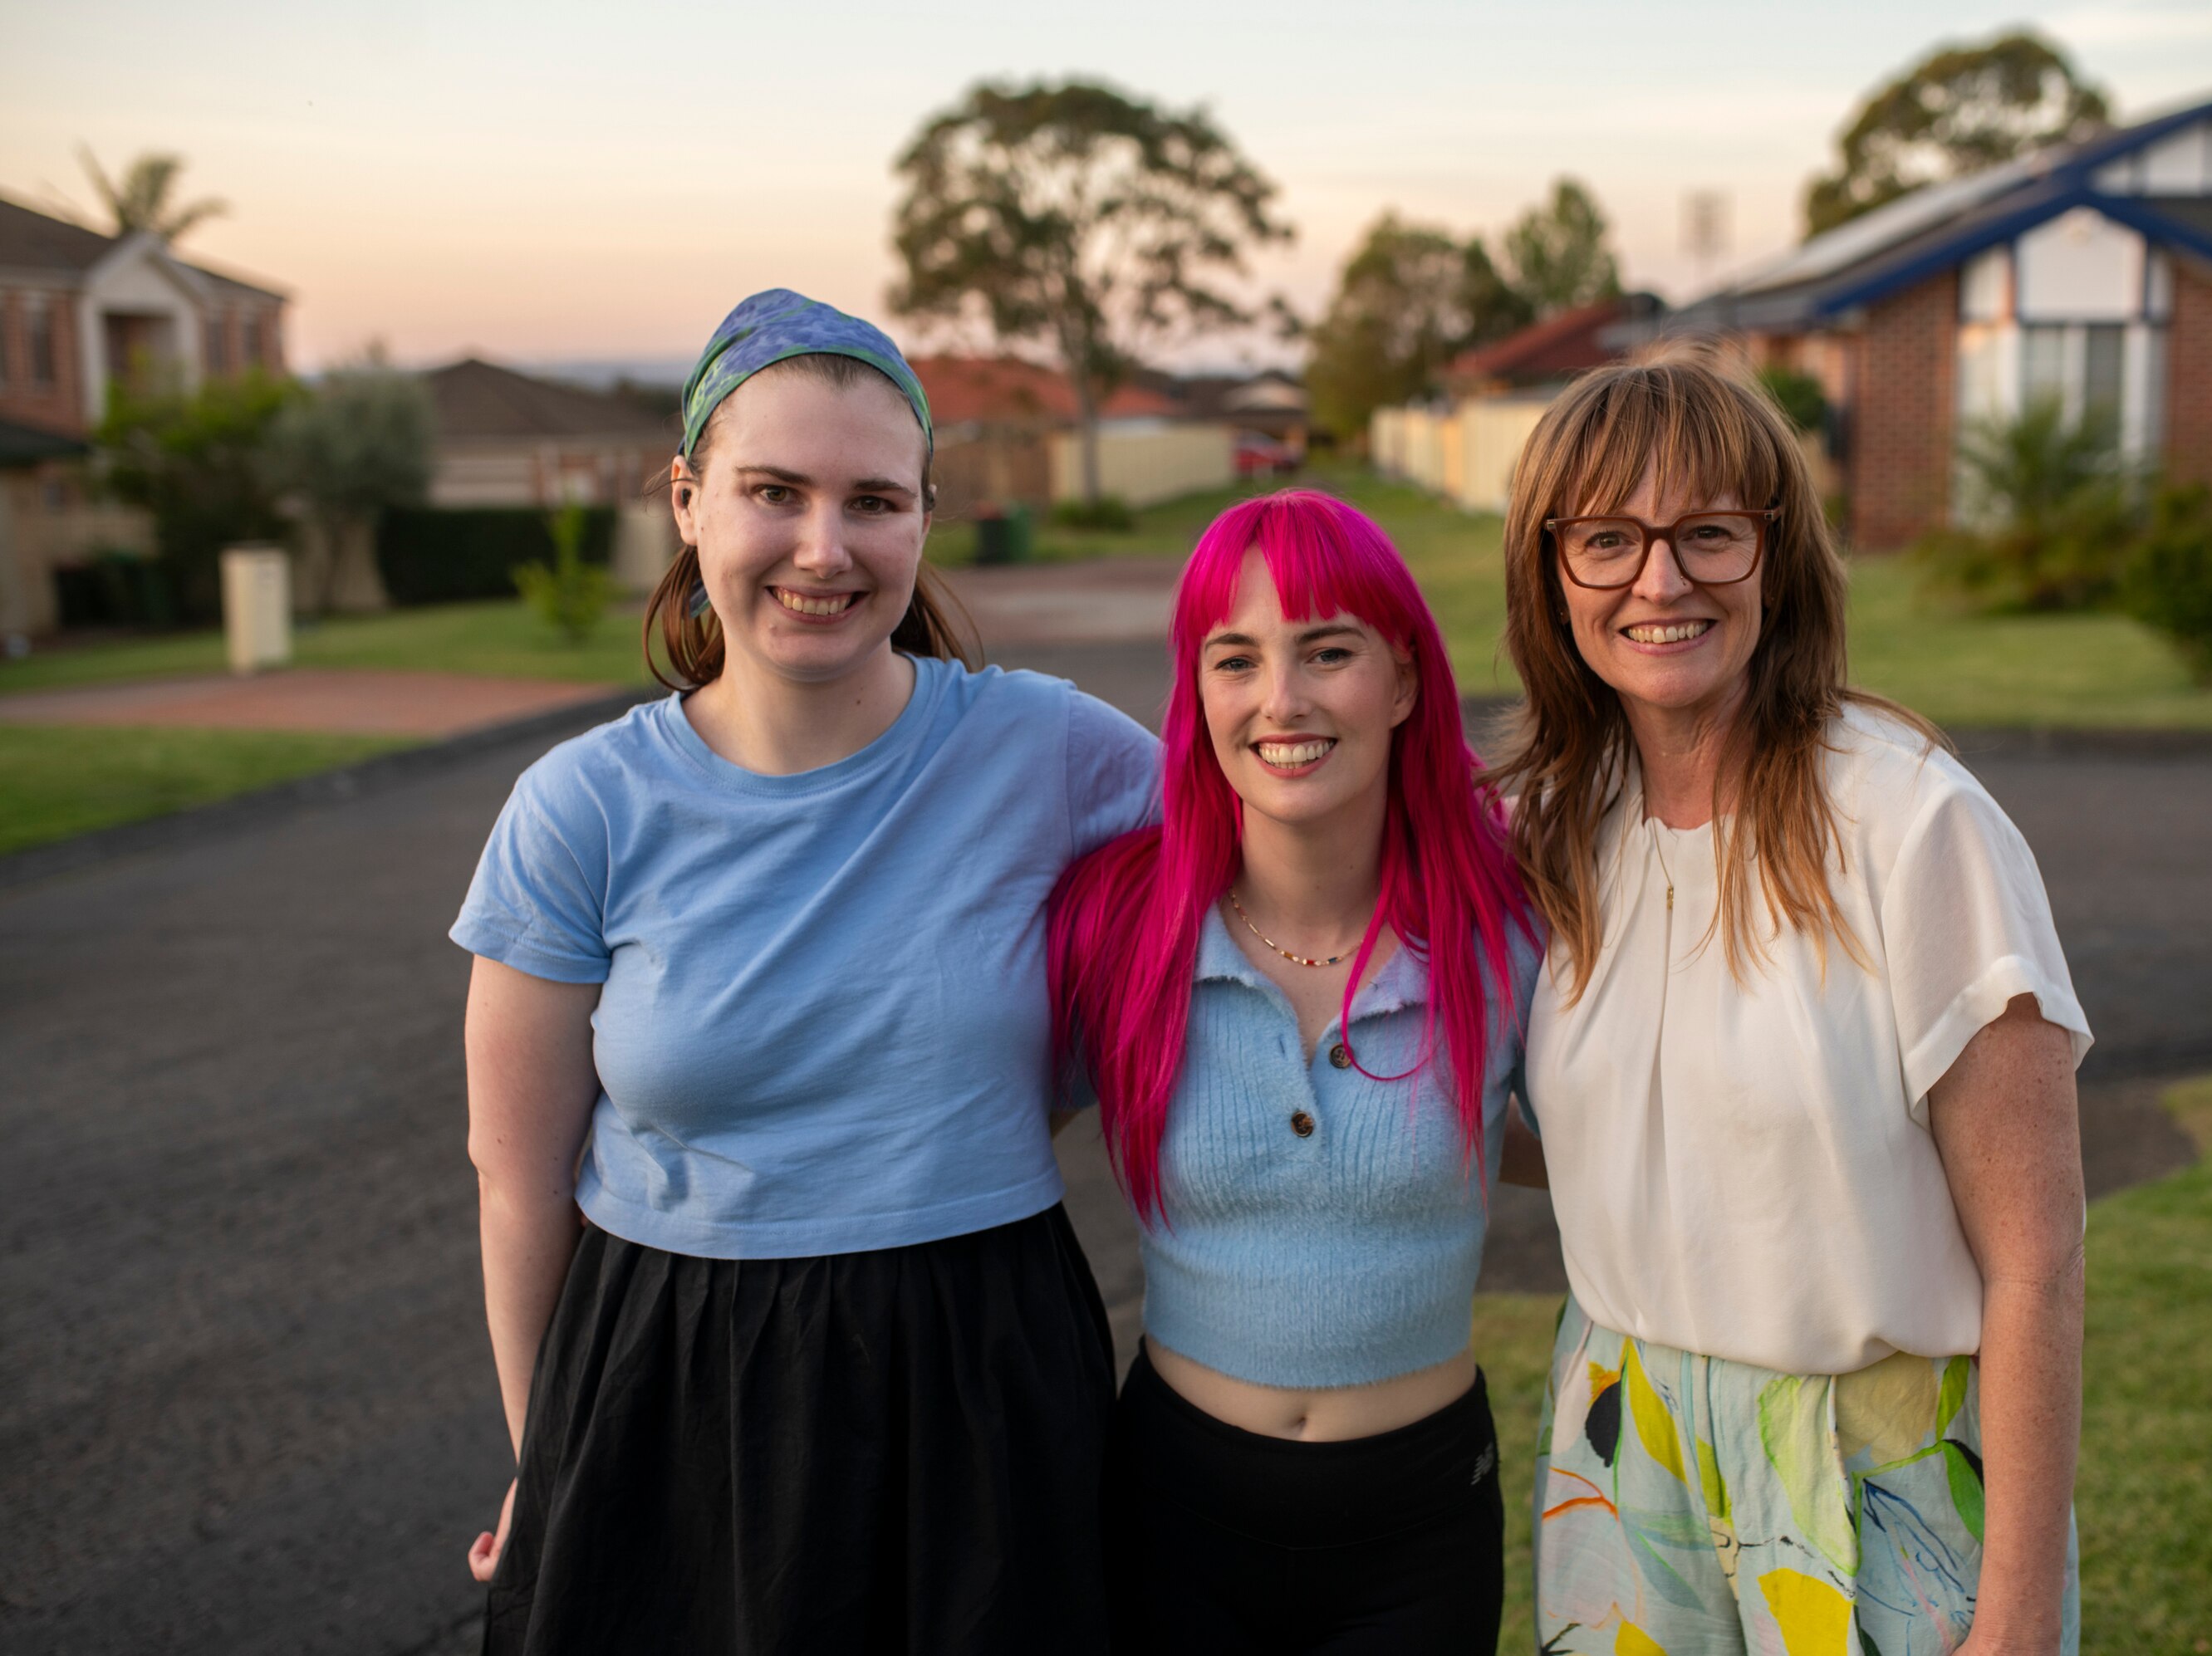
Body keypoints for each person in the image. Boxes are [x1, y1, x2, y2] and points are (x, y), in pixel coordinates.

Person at [451, 289, 1158, 1654]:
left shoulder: (1053, 752)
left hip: (983, 1370)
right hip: (670, 1380)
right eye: (774, 491)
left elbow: (1284, 844)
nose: (824, 549)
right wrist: (547, 1460)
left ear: (925, 519)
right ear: (687, 500)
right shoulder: (581, 807)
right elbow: (518, 1179)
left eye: (873, 502)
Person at [1498, 352, 2090, 1656]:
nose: (1660, 581)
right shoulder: (1549, 829)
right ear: (1552, 573)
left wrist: (2017, 1616)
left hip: (1869, 1451)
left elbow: (2036, 1261)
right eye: (1608, 539)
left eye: (1709, 532)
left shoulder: (1913, 824)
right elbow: (1600, 1134)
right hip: (1622, 1435)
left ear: (1778, 554)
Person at [1047, 490, 1539, 1655]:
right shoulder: (1120, 923)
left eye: (1328, 651)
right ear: (1198, 693)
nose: (1282, 700)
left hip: (1420, 1522)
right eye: (1237, 659)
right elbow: (969, 1132)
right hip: (1174, 1509)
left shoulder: (1509, 914)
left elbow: (1592, 1132)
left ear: (1404, 681)